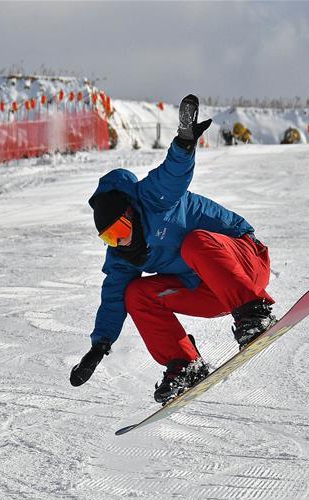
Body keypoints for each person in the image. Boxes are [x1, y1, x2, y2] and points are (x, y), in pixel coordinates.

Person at [70, 94, 276, 403]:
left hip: (245, 266)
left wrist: (184, 142)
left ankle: (255, 313)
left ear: (130, 213)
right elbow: (113, 295)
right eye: (110, 238)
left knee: (194, 243)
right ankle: (184, 364)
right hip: (210, 292)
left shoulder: (153, 198)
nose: (120, 242)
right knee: (134, 294)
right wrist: (99, 345)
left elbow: (173, 173)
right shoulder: (124, 254)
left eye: (121, 231)